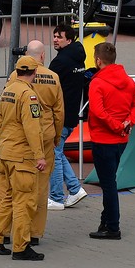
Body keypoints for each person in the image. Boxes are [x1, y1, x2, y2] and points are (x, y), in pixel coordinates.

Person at [0, 56, 49, 261]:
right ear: (34, 72)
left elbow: (0, 121)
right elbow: (32, 128)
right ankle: (21, 247)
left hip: (7, 153)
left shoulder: (8, 90)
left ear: (17, 71)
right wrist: (40, 155)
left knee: (8, 198)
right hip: (22, 157)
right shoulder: (28, 95)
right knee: (24, 202)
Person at [87, 42, 135, 240]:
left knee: (108, 185)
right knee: (110, 181)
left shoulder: (97, 83)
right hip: (121, 139)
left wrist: (116, 126)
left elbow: (98, 111)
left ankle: (112, 226)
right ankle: (106, 221)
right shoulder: (127, 81)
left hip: (104, 138)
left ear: (98, 60)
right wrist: (128, 122)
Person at [12, 40, 64, 242]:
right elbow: (59, 113)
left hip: (21, 138)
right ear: (42, 56)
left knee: (16, 187)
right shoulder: (53, 77)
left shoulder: (15, 76)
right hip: (45, 137)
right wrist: (57, 137)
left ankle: (9, 230)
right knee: (41, 189)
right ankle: (34, 233)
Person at [48, 24, 88, 209]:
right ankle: (75, 189)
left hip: (60, 116)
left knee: (54, 154)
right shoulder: (78, 58)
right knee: (57, 152)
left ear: (69, 40)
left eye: (60, 37)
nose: (55, 39)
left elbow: (48, 88)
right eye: (55, 36)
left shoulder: (60, 62)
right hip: (71, 114)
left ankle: (56, 197)